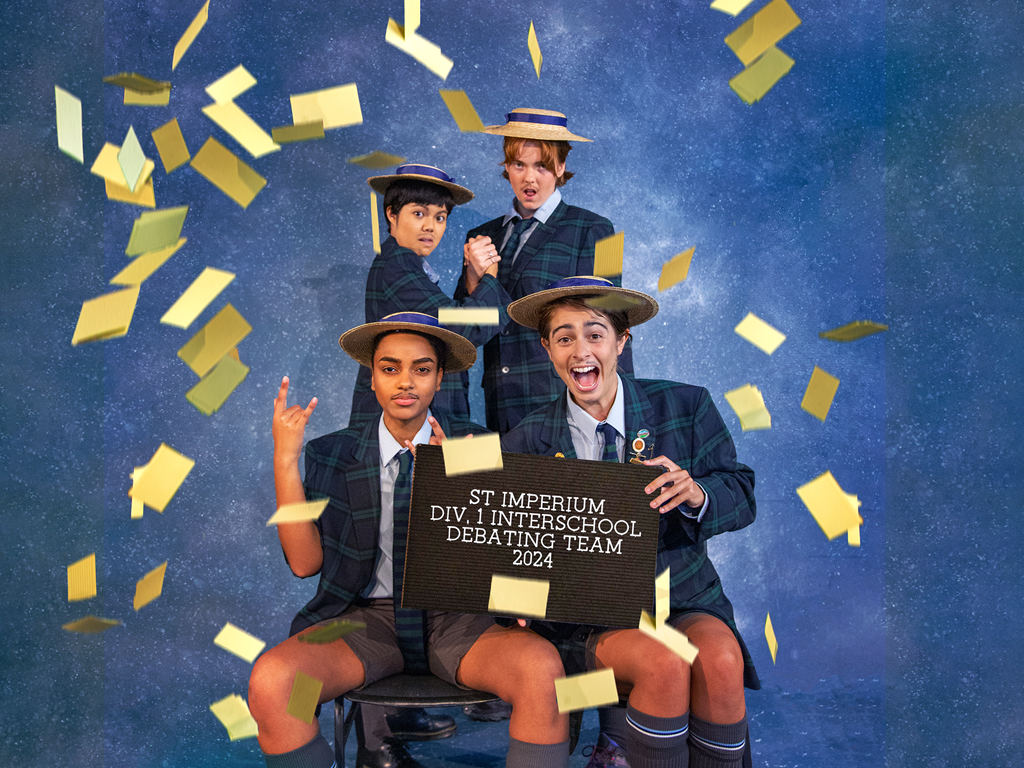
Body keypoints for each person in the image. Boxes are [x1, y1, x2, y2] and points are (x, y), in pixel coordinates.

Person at [249, 313, 569, 768]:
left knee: (543, 675)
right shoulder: (332, 454)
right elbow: (305, 563)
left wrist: (450, 479)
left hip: (460, 623)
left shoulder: (480, 446)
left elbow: (509, 554)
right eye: (390, 368)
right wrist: (285, 461)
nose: (405, 382)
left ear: (439, 380)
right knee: (275, 685)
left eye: (421, 369)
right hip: (363, 626)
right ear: (373, 380)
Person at [502, 278, 760, 768]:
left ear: (622, 341)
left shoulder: (685, 406)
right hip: (588, 621)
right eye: (564, 337)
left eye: (595, 334)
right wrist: (518, 598)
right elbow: (507, 545)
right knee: (665, 662)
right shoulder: (527, 439)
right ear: (547, 349)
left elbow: (742, 493)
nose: (581, 350)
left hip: (681, 598)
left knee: (721, 661)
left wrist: (697, 493)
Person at [455, 108, 633, 436]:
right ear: (506, 167)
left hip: (564, 400)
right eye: (519, 165)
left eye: (542, 165)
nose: (529, 178)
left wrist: (627, 411)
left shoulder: (601, 230)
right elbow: (459, 327)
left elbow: (615, 321)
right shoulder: (480, 236)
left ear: (561, 167)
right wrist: (473, 279)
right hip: (500, 400)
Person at [349, 164, 511, 428]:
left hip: (421, 414)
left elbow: (445, 315)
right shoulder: (397, 264)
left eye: (440, 217)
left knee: (475, 461)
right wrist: (490, 277)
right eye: (418, 213)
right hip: (405, 419)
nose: (430, 227)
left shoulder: (405, 264)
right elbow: (459, 326)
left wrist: (472, 279)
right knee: (476, 461)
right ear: (392, 214)